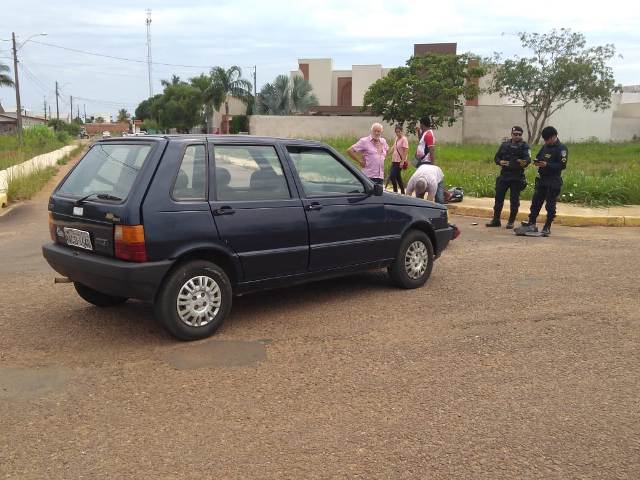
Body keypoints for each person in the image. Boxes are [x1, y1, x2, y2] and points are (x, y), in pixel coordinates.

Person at [517, 126, 568, 236]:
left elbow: (562, 165)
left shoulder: (562, 149)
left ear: (553, 137)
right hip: (542, 179)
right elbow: (538, 157)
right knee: (536, 202)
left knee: (550, 205)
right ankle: (531, 223)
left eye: (547, 139)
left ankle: (547, 226)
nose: (546, 142)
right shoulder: (545, 147)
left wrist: (547, 165)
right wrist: (537, 162)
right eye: (544, 140)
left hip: (553, 180)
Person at [486, 126, 531, 229]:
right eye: (515, 134)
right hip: (504, 175)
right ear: (511, 134)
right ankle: (496, 220)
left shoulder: (524, 146)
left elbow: (528, 160)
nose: (517, 136)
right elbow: (496, 158)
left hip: (517, 176)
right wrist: (500, 162)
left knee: (514, 201)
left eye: (519, 134)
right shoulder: (505, 145)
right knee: (498, 198)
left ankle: (511, 221)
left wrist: (522, 162)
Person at [387, 125, 408, 193]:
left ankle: (395, 191)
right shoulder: (396, 138)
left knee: (392, 176)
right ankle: (402, 191)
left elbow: (406, 151)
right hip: (394, 160)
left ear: (402, 131)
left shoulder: (404, 139)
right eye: (396, 132)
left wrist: (402, 162)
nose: (398, 133)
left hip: (399, 161)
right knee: (398, 177)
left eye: (399, 131)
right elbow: (393, 147)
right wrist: (387, 153)